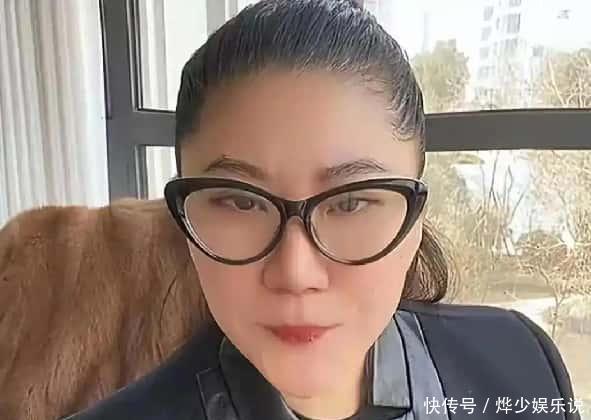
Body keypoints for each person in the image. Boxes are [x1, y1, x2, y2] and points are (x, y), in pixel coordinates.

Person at [64, 1, 579, 419]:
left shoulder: (521, 366)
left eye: (351, 202)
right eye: (241, 201)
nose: (296, 273)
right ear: (185, 219)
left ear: (415, 220)